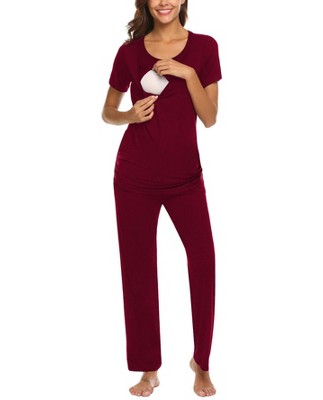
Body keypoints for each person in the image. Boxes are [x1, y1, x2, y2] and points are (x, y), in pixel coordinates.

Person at [102, 0, 222, 396]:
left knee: (203, 262)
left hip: (186, 178)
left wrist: (188, 74)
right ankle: (148, 368)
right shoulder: (130, 52)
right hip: (134, 176)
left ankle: (201, 362)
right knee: (137, 270)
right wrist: (129, 115)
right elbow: (107, 111)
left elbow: (210, 117)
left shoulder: (204, 47)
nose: (164, 1)